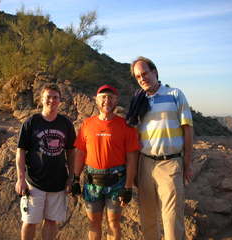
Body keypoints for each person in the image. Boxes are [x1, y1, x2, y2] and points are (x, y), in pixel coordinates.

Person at [127, 56, 193, 240]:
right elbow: (133, 134)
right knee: (147, 219)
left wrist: (187, 164)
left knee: (172, 220)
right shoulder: (137, 101)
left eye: (145, 73)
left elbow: (187, 129)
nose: (142, 78)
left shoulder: (175, 94)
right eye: (138, 76)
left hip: (170, 163)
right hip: (145, 164)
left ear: (154, 72)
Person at [72, 84, 140, 240]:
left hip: (117, 182)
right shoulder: (87, 124)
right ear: (97, 101)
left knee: (113, 222)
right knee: (93, 222)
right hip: (92, 181)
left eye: (111, 97)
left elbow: (132, 158)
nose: (107, 100)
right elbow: (80, 153)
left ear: (116, 100)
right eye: (103, 97)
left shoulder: (126, 126)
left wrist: (128, 187)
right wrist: (75, 179)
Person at [15, 83, 76, 240]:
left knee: (51, 221)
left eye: (55, 97)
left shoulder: (66, 124)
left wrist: (71, 178)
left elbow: (71, 151)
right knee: (29, 221)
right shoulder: (31, 122)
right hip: (34, 182)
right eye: (48, 97)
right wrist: (20, 178)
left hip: (58, 183)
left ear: (60, 101)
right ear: (41, 99)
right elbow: (21, 151)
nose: (52, 100)